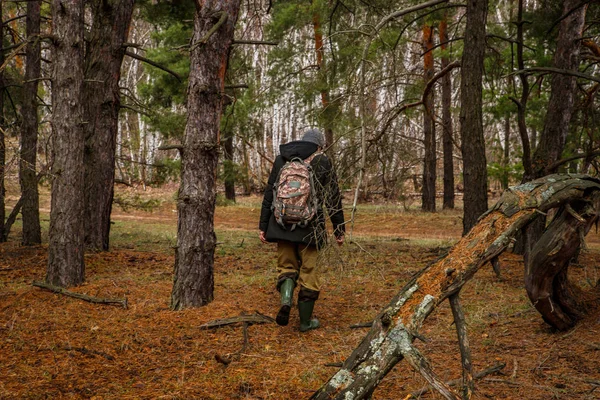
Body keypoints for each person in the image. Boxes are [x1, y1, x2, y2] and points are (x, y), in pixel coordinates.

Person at [259, 129, 345, 332]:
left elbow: (269, 195)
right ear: (319, 145)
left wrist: (263, 226)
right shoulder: (322, 161)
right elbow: (333, 198)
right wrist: (339, 229)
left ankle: (286, 302)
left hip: (281, 224)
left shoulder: (282, 159)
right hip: (311, 227)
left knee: (286, 267)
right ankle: (305, 322)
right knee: (309, 271)